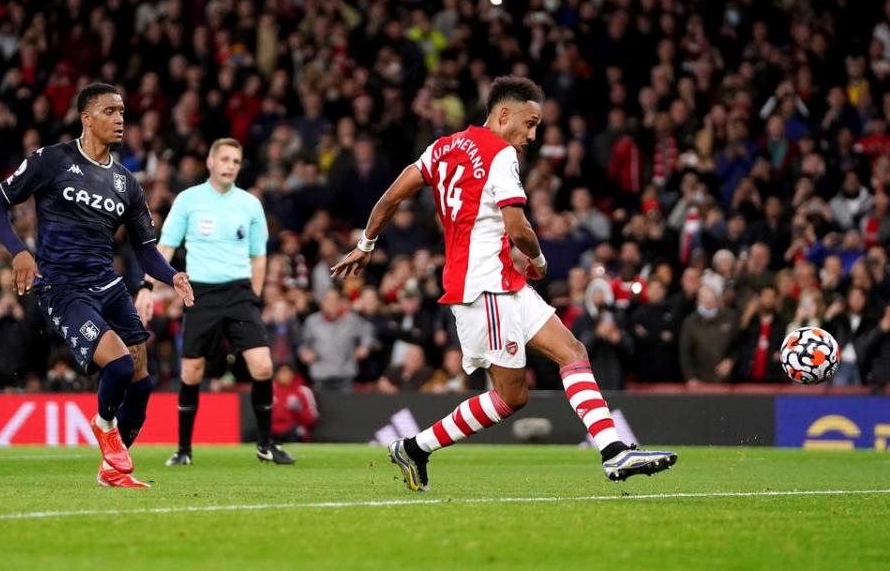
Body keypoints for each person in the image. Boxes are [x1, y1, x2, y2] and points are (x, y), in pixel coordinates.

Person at [331, 76, 676, 490]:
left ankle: (614, 451)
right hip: (486, 287)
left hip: (496, 281)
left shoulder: (442, 147)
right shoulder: (501, 154)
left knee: (572, 352)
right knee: (511, 397)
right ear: (504, 114)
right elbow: (519, 229)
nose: (531, 135)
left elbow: (390, 198)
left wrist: (366, 243)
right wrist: (539, 259)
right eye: (529, 124)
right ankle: (416, 448)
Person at [0, 82, 195, 488]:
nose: (120, 119)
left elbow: (147, 250)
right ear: (87, 118)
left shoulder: (126, 183)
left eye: (122, 112)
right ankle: (102, 423)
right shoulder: (52, 160)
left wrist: (172, 275)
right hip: (62, 285)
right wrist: (19, 251)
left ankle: (112, 470)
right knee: (115, 364)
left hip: (108, 284)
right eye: (111, 112)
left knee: (142, 381)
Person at [135, 137, 294, 466]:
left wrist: (254, 294)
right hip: (201, 292)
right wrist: (146, 287)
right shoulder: (188, 201)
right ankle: (183, 450)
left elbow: (259, 257)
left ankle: (266, 445)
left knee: (263, 366)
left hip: (239, 293)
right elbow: (163, 249)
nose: (230, 166)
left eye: (236, 161)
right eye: (224, 159)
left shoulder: (250, 204)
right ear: (210, 162)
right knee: (192, 371)